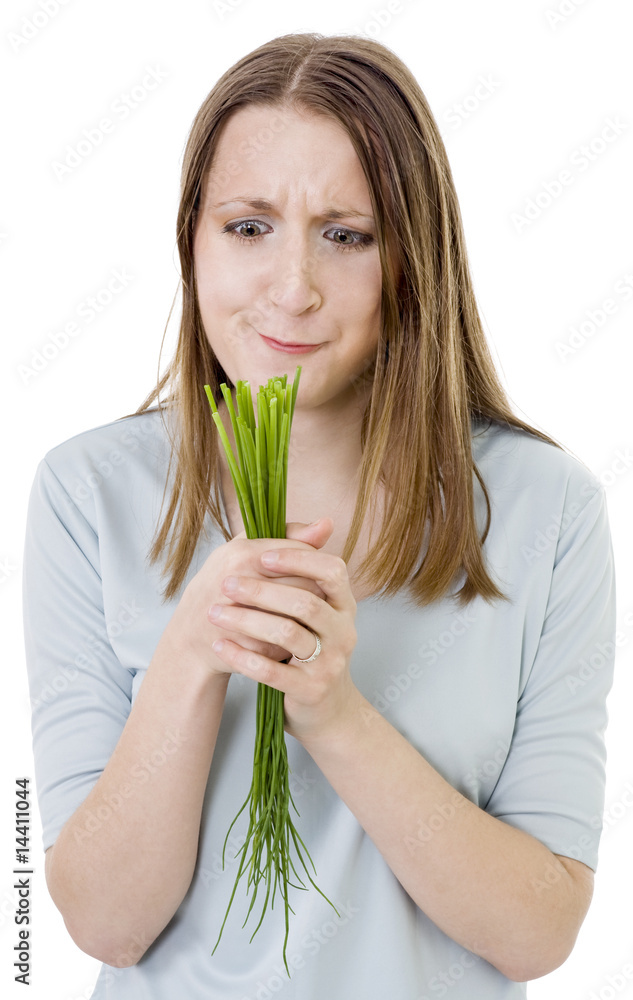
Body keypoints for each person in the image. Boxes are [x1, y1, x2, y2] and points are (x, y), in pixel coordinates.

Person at [22, 31, 616, 999]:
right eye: (248, 226)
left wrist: (335, 713)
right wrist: (191, 652)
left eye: (347, 234)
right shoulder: (88, 493)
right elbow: (105, 922)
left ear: (411, 261)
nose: (290, 286)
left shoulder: (546, 510)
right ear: (192, 240)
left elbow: (538, 934)